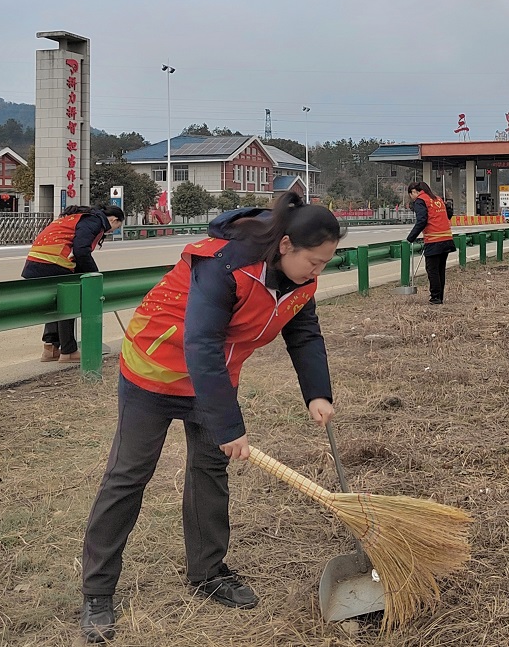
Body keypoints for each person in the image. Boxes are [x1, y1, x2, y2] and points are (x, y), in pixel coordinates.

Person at [79, 192, 344, 643]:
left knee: (209, 470)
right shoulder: (225, 265)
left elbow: (304, 331)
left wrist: (317, 393)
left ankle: (207, 572)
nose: (318, 271)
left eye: (325, 263)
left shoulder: (299, 281)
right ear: (284, 246)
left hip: (214, 376)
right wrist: (228, 426)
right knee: (129, 474)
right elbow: (199, 341)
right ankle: (98, 591)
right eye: (314, 262)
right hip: (156, 369)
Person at [22, 204, 124, 362]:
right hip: (53, 262)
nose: (113, 230)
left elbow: (74, 249)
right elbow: (81, 250)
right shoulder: (95, 221)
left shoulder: (76, 218)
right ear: (114, 219)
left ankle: (51, 348)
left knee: (55, 305)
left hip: (36, 263)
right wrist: (94, 275)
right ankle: (68, 351)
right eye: (117, 226)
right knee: (69, 302)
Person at [406, 181, 456, 305]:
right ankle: (440, 297)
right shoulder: (437, 199)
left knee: (432, 269)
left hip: (434, 239)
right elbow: (449, 212)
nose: (411, 198)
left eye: (410, 195)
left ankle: (435, 298)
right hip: (446, 238)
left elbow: (421, 220)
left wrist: (410, 238)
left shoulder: (421, 200)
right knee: (440, 270)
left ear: (414, 191)